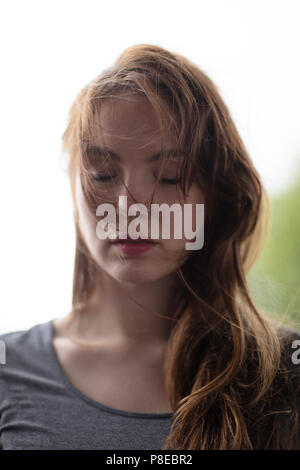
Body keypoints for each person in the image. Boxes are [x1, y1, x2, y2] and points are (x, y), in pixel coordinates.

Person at [0, 44, 299, 450]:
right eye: (103, 174)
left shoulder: (284, 371)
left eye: (171, 177)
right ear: (73, 188)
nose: (130, 207)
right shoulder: (7, 368)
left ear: (217, 199)